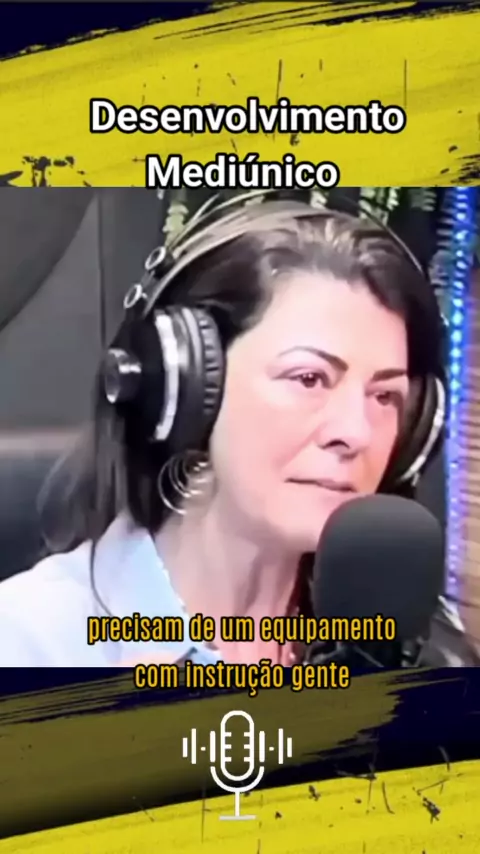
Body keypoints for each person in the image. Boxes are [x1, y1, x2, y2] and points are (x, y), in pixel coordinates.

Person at [0, 192, 456, 667]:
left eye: (384, 397)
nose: (356, 432)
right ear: (188, 390)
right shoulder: (30, 648)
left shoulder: (395, 650)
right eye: (309, 378)